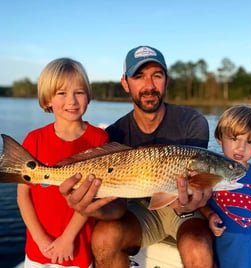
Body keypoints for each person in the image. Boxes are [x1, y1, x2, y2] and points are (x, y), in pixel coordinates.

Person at [60, 46, 214, 268]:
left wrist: (192, 200)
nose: (149, 86)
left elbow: (196, 187)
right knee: (104, 238)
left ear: (167, 80)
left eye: (157, 76)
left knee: (198, 246)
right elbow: (117, 206)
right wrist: (91, 207)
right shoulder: (114, 134)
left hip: (185, 212)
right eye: (139, 76)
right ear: (125, 83)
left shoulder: (193, 122)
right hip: (139, 210)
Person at [17, 58, 125, 268]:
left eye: (79, 92)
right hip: (38, 249)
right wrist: (40, 239)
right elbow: (23, 195)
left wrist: (67, 239)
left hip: (76, 247)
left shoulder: (99, 140)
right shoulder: (33, 140)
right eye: (62, 93)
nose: (72, 101)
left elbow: (91, 196)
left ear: (88, 96)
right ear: (47, 99)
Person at [200, 105, 251, 267]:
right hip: (226, 253)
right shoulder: (209, 175)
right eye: (234, 138)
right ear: (219, 137)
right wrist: (209, 215)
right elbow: (200, 203)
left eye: (250, 142)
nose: (241, 148)